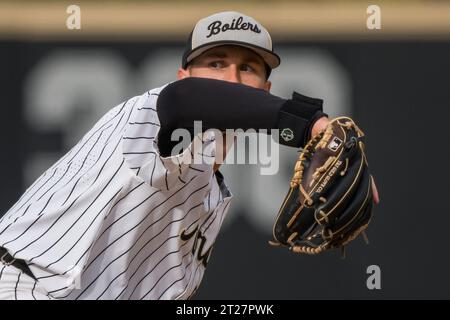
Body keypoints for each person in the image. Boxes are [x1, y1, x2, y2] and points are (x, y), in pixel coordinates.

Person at [0, 11, 379, 300]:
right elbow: (185, 102)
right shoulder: (149, 117)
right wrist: (311, 123)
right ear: (183, 76)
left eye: (246, 68)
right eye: (216, 64)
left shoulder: (212, 196)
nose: (231, 79)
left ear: (265, 88)